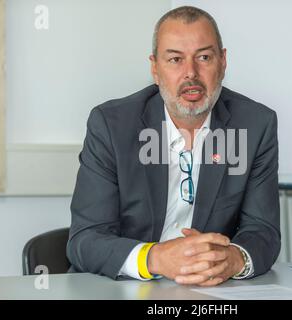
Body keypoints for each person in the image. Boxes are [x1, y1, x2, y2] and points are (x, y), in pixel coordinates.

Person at [67, 6, 280, 287]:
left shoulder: (256, 124)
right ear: (155, 68)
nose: (191, 73)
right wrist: (155, 258)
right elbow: (86, 239)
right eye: (175, 59)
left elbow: (263, 231)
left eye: (204, 57)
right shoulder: (111, 125)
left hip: (210, 291)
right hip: (122, 287)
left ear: (223, 61)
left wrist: (234, 258)